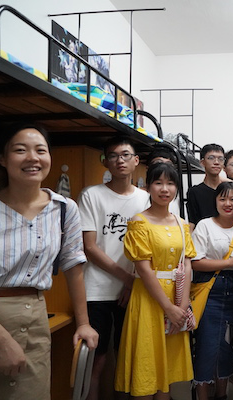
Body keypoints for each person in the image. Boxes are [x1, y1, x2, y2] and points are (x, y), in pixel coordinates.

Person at [0, 123, 98, 400]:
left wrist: (83, 323)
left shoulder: (64, 209)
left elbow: (74, 269)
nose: (33, 158)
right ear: (2, 158)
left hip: (35, 322)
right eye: (20, 150)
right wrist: (2, 342)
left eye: (41, 150)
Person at [77, 136, 150, 400]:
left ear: (136, 160)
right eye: (113, 155)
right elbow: (90, 247)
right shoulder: (91, 195)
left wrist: (134, 282)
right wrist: (128, 279)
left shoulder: (146, 199)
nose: (120, 160)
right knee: (96, 360)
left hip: (135, 291)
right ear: (105, 161)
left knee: (127, 358)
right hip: (96, 290)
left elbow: (151, 249)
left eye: (125, 155)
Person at [115, 163, 195, 399]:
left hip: (177, 300)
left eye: (170, 183)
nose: (164, 189)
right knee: (146, 366)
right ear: (148, 187)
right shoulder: (139, 222)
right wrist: (168, 308)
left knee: (166, 374)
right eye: (158, 183)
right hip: (149, 300)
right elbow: (144, 270)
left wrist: (181, 306)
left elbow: (187, 265)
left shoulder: (182, 223)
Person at [191, 182, 233, 400]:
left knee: (228, 347)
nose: (228, 203)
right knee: (207, 347)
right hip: (210, 292)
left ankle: (222, 395)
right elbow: (195, 263)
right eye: (223, 199)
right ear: (216, 201)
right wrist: (229, 262)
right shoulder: (205, 225)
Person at [187, 143, 226, 230]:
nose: (216, 162)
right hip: (203, 235)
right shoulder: (195, 192)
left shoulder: (228, 189)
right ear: (202, 162)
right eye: (211, 158)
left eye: (220, 159)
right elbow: (192, 222)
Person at [147, 144, 181, 216]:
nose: (163, 167)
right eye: (158, 163)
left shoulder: (174, 199)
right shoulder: (139, 197)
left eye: (169, 164)